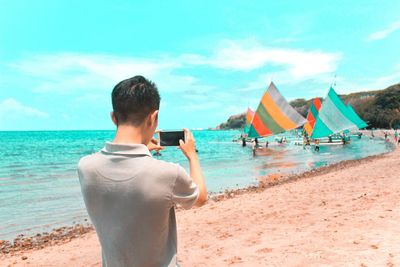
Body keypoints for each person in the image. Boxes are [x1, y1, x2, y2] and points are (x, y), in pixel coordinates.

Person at [77, 75, 208, 267]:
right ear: (154, 117)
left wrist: (142, 149)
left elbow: (123, 181)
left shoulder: (85, 167)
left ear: (113, 117)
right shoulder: (168, 174)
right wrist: (192, 156)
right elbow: (200, 198)